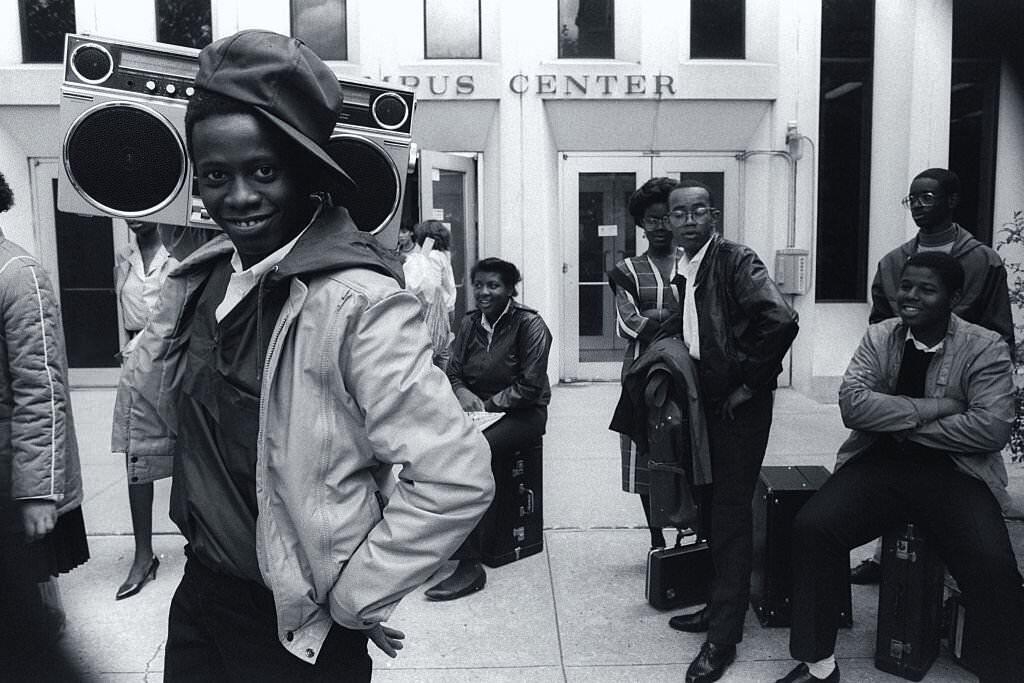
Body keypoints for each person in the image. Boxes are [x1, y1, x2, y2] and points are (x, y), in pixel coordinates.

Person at [111, 30, 494, 680]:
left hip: (294, 628)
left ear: (306, 169)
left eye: (264, 170)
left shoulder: (357, 301)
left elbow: (455, 476)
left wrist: (354, 597)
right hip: (201, 595)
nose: (238, 197)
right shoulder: (200, 277)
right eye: (215, 175)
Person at [776, 252, 1024, 683]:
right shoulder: (880, 336)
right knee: (814, 527)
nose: (910, 296)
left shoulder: (984, 347)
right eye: (906, 286)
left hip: (957, 474)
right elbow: (853, 406)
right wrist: (939, 408)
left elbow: (991, 429)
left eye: (926, 289)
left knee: (991, 560)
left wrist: (900, 424)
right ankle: (819, 665)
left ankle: (1005, 671)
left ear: (955, 298)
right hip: (881, 465)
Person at [851, 167, 1015, 585]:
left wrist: (980, 379)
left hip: (962, 385)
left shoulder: (983, 260)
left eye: (928, 197)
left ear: (952, 201)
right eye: (913, 199)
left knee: (955, 484)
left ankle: (953, 574)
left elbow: (998, 329)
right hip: (903, 380)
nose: (920, 206)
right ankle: (884, 553)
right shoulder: (892, 261)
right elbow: (880, 326)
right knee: (886, 468)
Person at [664, 180, 799, 683]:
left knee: (730, 515)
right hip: (706, 397)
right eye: (681, 213)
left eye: (699, 211)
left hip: (737, 404)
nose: (690, 219)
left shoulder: (737, 259)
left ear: (713, 215)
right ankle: (720, 607)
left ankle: (722, 640)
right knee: (708, 507)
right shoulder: (688, 263)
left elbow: (781, 319)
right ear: (671, 221)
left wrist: (749, 382)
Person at [427, 257, 552, 601]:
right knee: (427, 451)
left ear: (511, 289)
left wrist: (489, 405)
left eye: (493, 285)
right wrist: (463, 392)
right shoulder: (469, 324)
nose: (484, 292)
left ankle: (470, 565)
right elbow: (452, 370)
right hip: (476, 412)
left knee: (468, 456)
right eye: (479, 284)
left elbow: (529, 385)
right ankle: (437, 544)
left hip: (521, 413)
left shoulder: (531, 325)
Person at [0, 170, 89, 640]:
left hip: (12, 476)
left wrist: (37, 494)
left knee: (30, 619)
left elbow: (41, 389)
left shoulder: (18, 275)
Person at [607, 176, 684, 549]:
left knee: (688, 447)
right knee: (645, 449)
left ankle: (692, 531)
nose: (659, 226)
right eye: (651, 219)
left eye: (667, 217)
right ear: (640, 223)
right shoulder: (627, 270)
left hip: (690, 373)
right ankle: (656, 538)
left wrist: (657, 314)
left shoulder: (693, 264)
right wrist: (675, 320)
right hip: (642, 373)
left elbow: (705, 316)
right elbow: (626, 323)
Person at [114, 220, 175, 600]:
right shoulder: (124, 258)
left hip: (176, 362)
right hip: (137, 367)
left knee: (192, 457)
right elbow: (125, 313)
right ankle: (143, 555)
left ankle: (204, 545)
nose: (137, 214)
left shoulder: (182, 253)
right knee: (138, 456)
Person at [402, 219, 457, 370]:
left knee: (432, 350)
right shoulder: (443, 254)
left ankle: (439, 382)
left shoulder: (429, 256)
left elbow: (424, 284)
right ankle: (446, 382)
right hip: (447, 307)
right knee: (443, 347)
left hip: (433, 307)